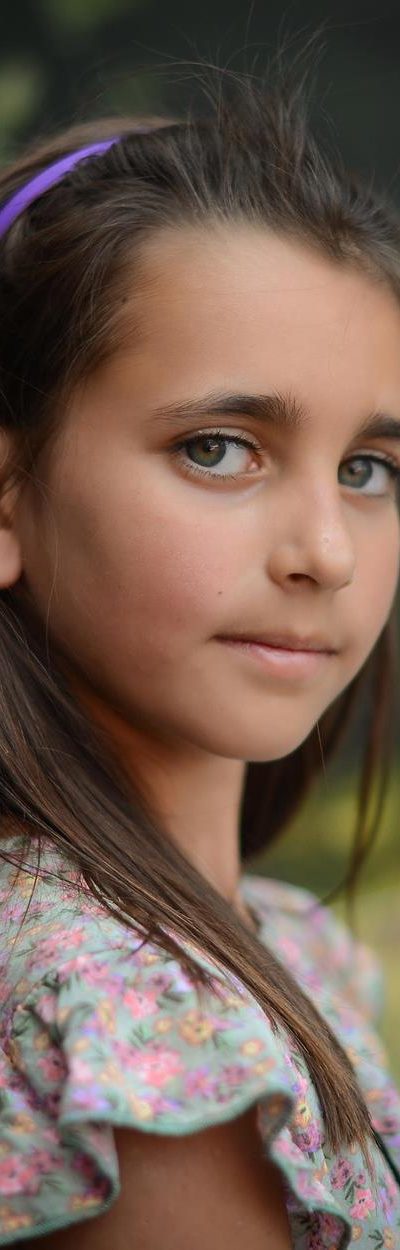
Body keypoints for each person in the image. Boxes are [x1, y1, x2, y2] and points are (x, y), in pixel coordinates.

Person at [0, 36, 400, 1250]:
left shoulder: (280, 937)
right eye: (219, 448)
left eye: (368, 468)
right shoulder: (128, 1009)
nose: (325, 552)